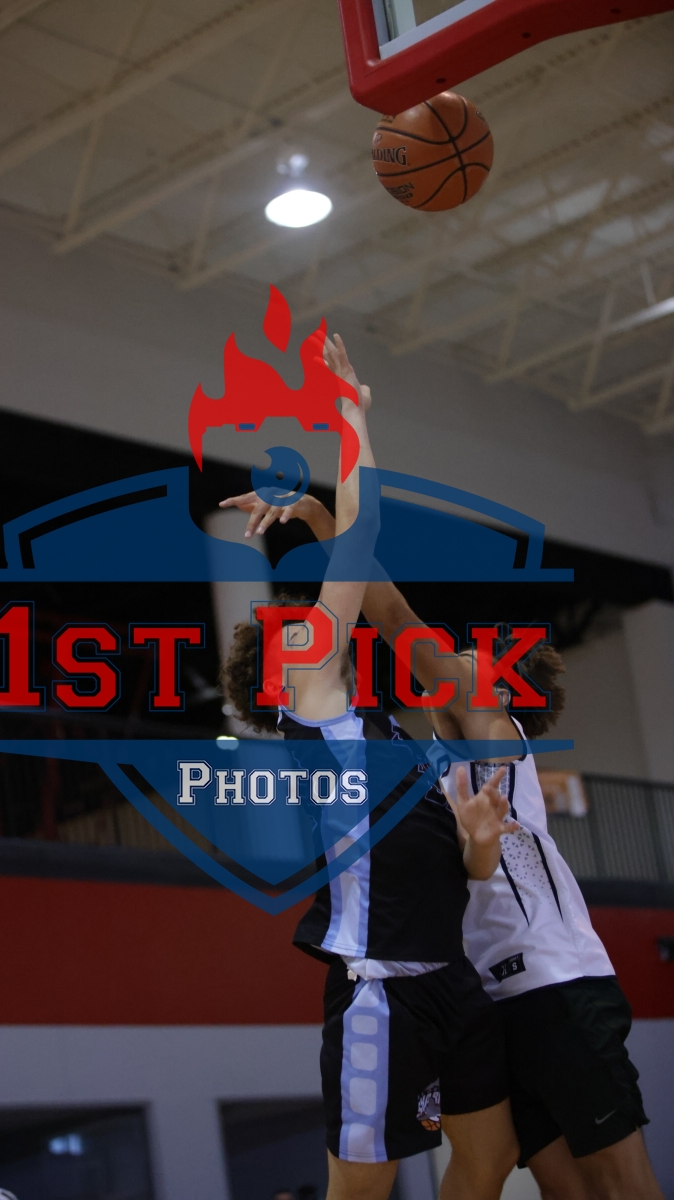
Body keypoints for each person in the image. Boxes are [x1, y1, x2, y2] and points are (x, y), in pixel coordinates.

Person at [222, 468, 663, 1200]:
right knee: (558, 1183)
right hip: (481, 987)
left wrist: (326, 518)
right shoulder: (419, 764)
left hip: (553, 979)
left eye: (470, 659)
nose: (451, 660)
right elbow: (388, 617)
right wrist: (324, 523)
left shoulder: (492, 731)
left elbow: (394, 617)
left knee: (619, 1181)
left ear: (501, 690)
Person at [221, 335, 521, 1200]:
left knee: (492, 1156)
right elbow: (361, 544)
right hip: (379, 988)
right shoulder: (311, 709)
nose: (311, 620)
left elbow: (460, 868)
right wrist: (350, 413)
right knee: (364, 1188)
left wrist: (477, 842)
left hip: (449, 971)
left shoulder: (386, 731)